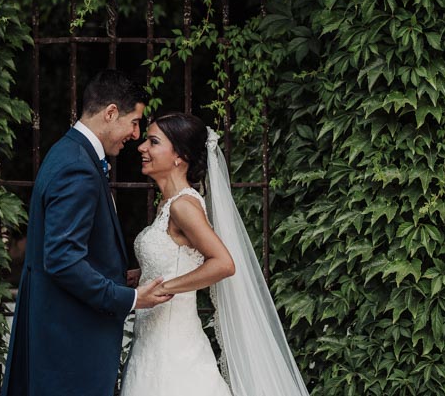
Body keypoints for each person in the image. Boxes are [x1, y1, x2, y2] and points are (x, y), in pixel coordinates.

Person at [1, 70, 173, 396]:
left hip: (59, 335)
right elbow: (63, 260)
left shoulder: (67, 153)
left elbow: (71, 247)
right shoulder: (77, 167)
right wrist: (132, 298)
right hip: (70, 345)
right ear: (110, 113)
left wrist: (116, 275)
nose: (136, 135)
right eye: (134, 122)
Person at [120, 112, 310, 396]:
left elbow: (223, 264)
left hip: (174, 355)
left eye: (153, 142)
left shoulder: (183, 207)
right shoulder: (168, 204)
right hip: (152, 346)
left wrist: (165, 288)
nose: (142, 148)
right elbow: (176, 257)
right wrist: (143, 275)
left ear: (179, 156)